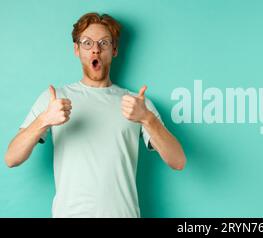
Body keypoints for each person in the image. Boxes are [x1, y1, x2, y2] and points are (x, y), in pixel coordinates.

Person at [4, 12, 186, 218]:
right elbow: (11, 158)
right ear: (77, 49)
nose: (96, 50)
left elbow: (178, 161)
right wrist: (44, 120)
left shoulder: (137, 104)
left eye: (104, 43)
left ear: (114, 50)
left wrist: (147, 118)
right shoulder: (54, 100)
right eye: (87, 43)